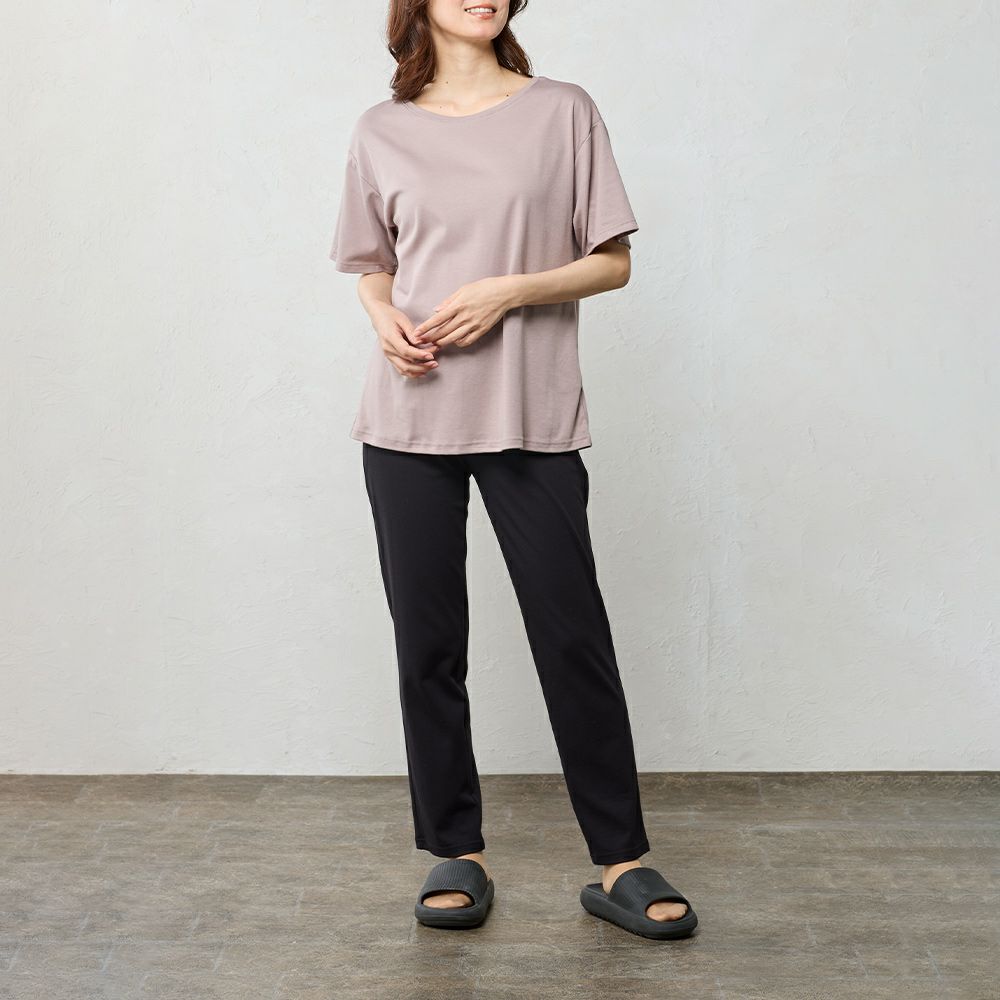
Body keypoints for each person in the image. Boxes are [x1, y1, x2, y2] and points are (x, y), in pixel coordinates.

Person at [328, 0, 698, 941]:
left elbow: (611, 263)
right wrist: (382, 317)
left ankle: (621, 859)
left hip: (529, 415)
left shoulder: (562, 110)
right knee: (428, 645)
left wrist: (510, 291)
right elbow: (371, 265)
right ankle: (456, 849)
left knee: (572, 635)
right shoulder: (381, 129)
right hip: (408, 413)